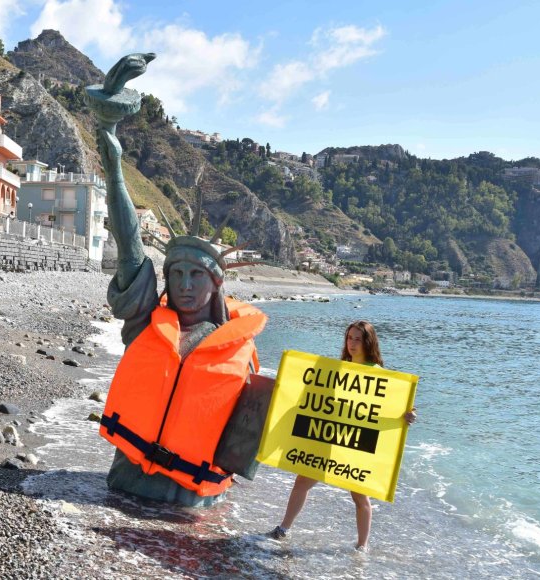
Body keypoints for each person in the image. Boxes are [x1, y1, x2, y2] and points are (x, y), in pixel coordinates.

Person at [88, 53, 267, 507]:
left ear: (216, 284)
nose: (184, 284)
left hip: (192, 512)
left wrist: (392, 419)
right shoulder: (146, 320)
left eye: (195, 275)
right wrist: (113, 160)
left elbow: (295, 423)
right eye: (176, 273)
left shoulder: (239, 350)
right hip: (125, 494)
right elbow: (129, 243)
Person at [268, 320, 417, 551]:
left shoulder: (379, 375)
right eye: (349, 338)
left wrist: (408, 416)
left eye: (358, 339)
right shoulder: (337, 370)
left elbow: (395, 408)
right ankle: (283, 530)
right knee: (302, 482)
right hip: (329, 438)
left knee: (359, 497)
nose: (352, 343)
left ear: (368, 342)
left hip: (355, 444)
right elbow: (314, 399)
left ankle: (362, 547)